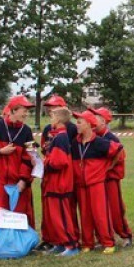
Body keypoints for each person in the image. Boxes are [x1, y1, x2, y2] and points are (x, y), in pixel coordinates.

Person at [71, 110, 122, 254]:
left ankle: (108, 242)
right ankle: (87, 243)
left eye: (79, 122)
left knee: (100, 214)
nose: (77, 125)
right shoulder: (76, 142)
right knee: (85, 215)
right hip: (81, 185)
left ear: (88, 124)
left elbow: (118, 149)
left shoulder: (99, 142)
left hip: (96, 184)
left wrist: (109, 167)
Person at [0, 95, 36, 225]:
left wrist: (23, 180)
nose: (26, 114)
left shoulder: (28, 131)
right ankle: (0, 244)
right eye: (24, 110)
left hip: (18, 184)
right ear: (13, 110)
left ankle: (19, 244)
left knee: (20, 218)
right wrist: (0, 151)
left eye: (27, 111)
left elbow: (31, 157)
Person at [39, 107, 79, 255]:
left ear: (58, 120)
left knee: (62, 216)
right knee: (54, 217)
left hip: (60, 184)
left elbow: (59, 162)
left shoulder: (61, 137)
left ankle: (71, 245)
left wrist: (43, 164)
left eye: (52, 117)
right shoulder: (57, 136)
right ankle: (60, 243)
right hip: (53, 184)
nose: (51, 120)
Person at [92, 107, 132, 247]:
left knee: (115, 209)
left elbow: (120, 154)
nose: (92, 120)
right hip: (96, 180)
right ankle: (102, 237)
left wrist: (109, 167)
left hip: (110, 179)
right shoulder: (93, 136)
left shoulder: (111, 138)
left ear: (103, 121)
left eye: (95, 117)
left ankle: (125, 235)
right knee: (99, 210)